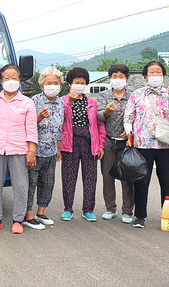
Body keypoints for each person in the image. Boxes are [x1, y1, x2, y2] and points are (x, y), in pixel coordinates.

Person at [0, 65, 38, 234]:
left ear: (19, 80)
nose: (10, 81)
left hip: (18, 148)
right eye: (7, 78)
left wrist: (31, 151)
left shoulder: (27, 102)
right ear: (1, 81)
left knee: (20, 186)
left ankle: (17, 220)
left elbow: (32, 129)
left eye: (14, 78)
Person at [124, 61, 169, 228]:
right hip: (143, 144)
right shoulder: (137, 94)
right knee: (141, 181)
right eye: (152, 72)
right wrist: (129, 135)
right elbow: (128, 117)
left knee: (167, 181)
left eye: (158, 72)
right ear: (145, 76)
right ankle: (140, 216)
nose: (155, 75)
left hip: (165, 145)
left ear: (163, 75)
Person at [60, 67, 105, 222]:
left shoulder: (92, 102)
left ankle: (88, 209)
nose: (79, 85)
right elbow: (61, 120)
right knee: (68, 177)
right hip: (70, 142)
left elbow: (99, 125)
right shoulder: (63, 101)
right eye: (76, 82)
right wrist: (70, 103)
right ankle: (68, 208)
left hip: (89, 142)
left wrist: (100, 145)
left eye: (83, 82)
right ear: (69, 84)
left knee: (90, 177)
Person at [24, 66, 65, 228]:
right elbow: (27, 126)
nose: (52, 85)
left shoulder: (61, 103)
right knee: (31, 183)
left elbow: (60, 127)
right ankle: (27, 215)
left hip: (51, 150)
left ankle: (41, 212)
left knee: (48, 183)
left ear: (61, 85)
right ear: (42, 86)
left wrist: (59, 148)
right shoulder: (34, 101)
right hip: (35, 150)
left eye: (56, 83)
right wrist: (40, 116)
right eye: (49, 83)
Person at [96, 64, 134, 224]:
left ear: (127, 79)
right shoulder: (104, 96)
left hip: (127, 143)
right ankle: (110, 208)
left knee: (127, 177)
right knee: (107, 176)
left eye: (121, 77)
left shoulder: (133, 96)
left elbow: (138, 116)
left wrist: (131, 131)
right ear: (109, 78)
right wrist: (106, 112)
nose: (117, 80)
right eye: (114, 77)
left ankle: (127, 211)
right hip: (108, 142)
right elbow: (98, 116)